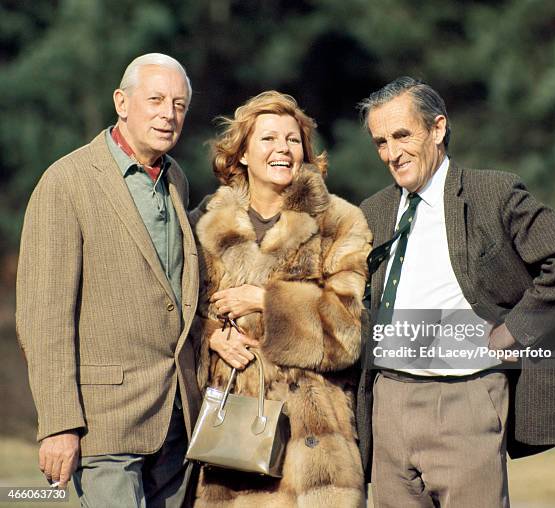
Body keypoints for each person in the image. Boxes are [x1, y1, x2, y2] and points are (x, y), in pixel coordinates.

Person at [355, 77, 555, 508]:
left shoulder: (493, 194)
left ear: (437, 129)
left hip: (464, 398)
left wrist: (515, 330)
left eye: (401, 135)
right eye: (380, 142)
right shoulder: (372, 211)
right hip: (387, 402)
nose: (391, 154)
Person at [16, 53, 201, 507]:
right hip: (104, 424)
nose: (168, 114)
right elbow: (44, 317)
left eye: (178, 104)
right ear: (122, 101)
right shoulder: (66, 182)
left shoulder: (176, 177)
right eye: (155, 99)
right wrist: (59, 424)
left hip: (176, 420)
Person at [190, 91, 372, 507]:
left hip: (314, 448)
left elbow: (347, 333)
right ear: (241, 154)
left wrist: (265, 301)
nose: (283, 150)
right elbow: (180, 318)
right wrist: (212, 335)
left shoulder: (339, 222)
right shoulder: (203, 225)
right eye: (268, 139)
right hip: (232, 441)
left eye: (293, 140)